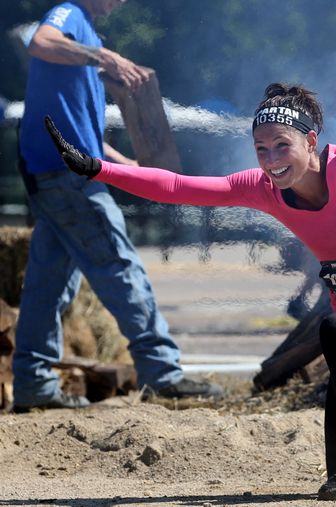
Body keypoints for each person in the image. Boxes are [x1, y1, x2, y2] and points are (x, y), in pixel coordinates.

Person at [44, 12, 336, 501]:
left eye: (282, 147)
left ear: (311, 141)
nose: (271, 161)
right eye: (262, 150)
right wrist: (99, 169)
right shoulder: (265, 189)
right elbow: (180, 188)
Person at [13, 0, 223, 413]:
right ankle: (162, 373)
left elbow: (82, 131)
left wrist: (129, 167)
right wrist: (106, 56)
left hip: (54, 174)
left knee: (49, 283)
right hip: (69, 178)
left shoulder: (83, 33)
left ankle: (32, 381)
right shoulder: (69, 15)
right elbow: (41, 40)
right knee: (120, 267)